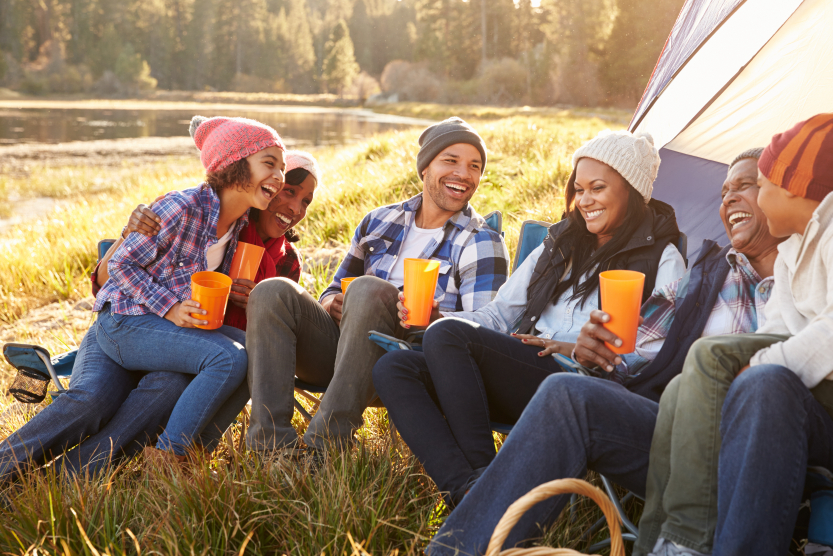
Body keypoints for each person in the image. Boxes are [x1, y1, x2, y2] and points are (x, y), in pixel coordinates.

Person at [425, 143, 833, 555]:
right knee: (568, 393)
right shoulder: (703, 281)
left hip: (776, 442)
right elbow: (630, 358)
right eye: (723, 192)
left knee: (765, 381)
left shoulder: (824, 263)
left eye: (746, 185)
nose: (730, 197)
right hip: (680, 438)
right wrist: (592, 351)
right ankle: (455, 550)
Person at [374, 129, 686, 508]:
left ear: (632, 192)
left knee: (448, 337)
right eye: (579, 189)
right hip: (523, 370)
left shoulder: (663, 259)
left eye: (598, 188)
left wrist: (578, 349)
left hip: (580, 385)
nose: (585, 200)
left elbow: (659, 355)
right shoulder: (561, 243)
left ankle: (491, 491)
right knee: (396, 366)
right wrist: (445, 319)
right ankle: (468, 489)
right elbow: (500, 314)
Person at [636, 113, 833, 556]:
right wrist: (736, 370)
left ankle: (689, 539)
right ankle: (654, 544)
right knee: (685, 386)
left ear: (789, 188)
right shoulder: (792, 253)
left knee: (710, 358)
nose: (746, 198)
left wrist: (753, 367)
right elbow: (775, 332)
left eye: (760, 186)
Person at [243, 117, 509, 462]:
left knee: (369, 290)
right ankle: (270, 449)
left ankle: (326, 447)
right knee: (271, 291)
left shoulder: (480, 240)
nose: (464, 173)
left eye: (474, 166)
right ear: (425, 168)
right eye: (451, 160)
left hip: (412, 362)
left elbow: (486, 328)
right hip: (342, 353)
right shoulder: (379, 221)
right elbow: (334, 286)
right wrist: (331, 303)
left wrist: (437, 318)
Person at [54, 151, 319, 477]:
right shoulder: (217, 219)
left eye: (306, 201)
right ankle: (26, 468)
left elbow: (272, 340)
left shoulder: (285, 262)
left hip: (202, 348)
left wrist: (259, 306)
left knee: (170, 386)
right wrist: (128, 233)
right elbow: (107, 283)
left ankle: (173, 461)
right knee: (92, 400)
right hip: (140, 325)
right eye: (289, 191)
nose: (296, 208)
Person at [90, 115, 286, 467]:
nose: (279, 176)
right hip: (126, 319)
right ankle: (169, 459)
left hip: (166, 326)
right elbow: (119, 265)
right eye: (269, 163)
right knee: (227, 357)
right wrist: (171, 308)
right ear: (234, 164)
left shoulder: (238, 227)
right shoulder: (180, 206)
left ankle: (193, 457)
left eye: (282, 167)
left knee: (254, 352)